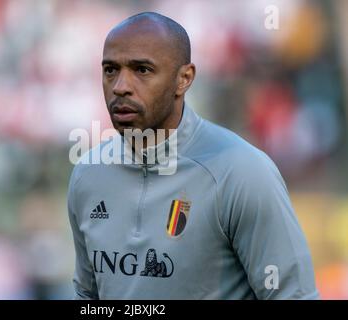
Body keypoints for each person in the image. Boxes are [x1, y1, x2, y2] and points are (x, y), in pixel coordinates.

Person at [67, 12, 319, 299]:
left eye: (142, 70)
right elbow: (88, 296)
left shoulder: (241, 171)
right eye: (110, 70)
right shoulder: (88, 174)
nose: (120, 86)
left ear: (184, 79)